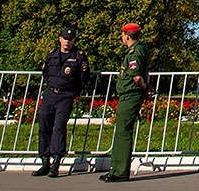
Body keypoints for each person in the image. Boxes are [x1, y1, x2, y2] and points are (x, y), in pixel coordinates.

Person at [33, 26, 89, 177]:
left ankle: (56, 162)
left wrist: (73, 91)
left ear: (74, 41)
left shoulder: (78, 57)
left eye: (70, 40)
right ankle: (45, 161)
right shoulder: (52, 56)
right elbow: (45, 73)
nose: (67, 42)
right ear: (60, 39)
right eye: (65, 39)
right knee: (44, 125)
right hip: (50, 94)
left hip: (65, 96)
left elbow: (83, 77)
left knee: (59, 127)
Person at [100, 22, 151, 182]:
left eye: (122, 35)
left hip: (130, 95)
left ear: (127, 36)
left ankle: (119, 171)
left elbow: (136, 77)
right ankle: (115, 169)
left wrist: (146, 87)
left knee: (123, 132)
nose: (122, 38)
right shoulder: (139, 49)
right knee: (121, 131)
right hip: (129, 95)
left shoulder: (134, 53)